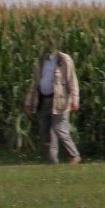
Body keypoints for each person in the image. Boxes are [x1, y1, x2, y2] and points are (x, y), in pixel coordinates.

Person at [23, 34, 81, 164]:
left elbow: (72, 81)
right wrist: (29, 102)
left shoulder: (64, 60)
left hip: (60, 101)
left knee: (60, 130)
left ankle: (74, 155)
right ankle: (52, 160)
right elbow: (35, 83)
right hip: (43, 100)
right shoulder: (40, 62)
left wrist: (75, 100)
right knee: (46, 131)